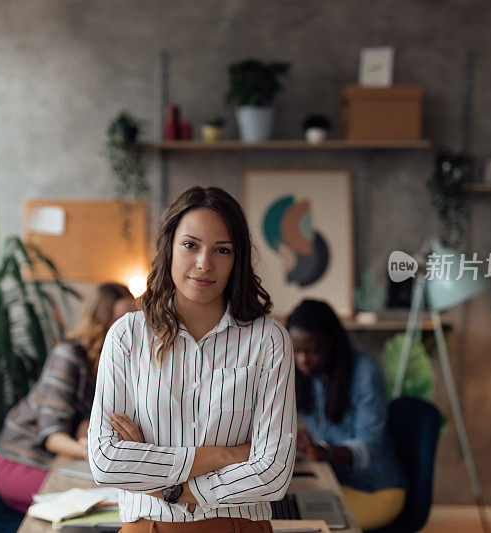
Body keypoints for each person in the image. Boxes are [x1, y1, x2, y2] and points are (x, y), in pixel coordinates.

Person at [88, 186, 297, 533]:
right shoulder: (126, 336)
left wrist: (167, 483)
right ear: (169, 247)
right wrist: (224, 455)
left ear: (237, 259)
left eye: (222, 250)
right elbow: (106, 462)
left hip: (237, 528)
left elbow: (273, 474)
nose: (204, 263)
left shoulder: (268, 340)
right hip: (148, 527)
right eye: (190, 245)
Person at [0, 282, 136, 512]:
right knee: (91, 500)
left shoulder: (110, 360)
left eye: (133, 317)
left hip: (57, 458)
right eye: (121, 319)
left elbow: (86, 421)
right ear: (100, 322)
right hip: (19, 460)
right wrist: (92, 452)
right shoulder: (67, 357)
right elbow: (52, 436)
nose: (130, 327)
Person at [286, 299, 406, 531]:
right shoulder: (311, 375)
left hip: (376, 489)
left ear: (330, 341)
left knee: (308, 526)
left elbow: (368, 447)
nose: (302, 360)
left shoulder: (364, 373)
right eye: (296, 350)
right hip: (337, 482)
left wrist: (325, 451)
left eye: (311, 350)